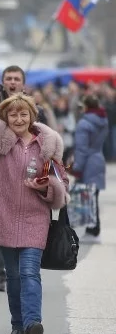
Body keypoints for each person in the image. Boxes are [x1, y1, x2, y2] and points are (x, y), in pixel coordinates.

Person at [0, 73, 69, 334]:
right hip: (2, 215)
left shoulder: (48, 145)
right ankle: (18, 324)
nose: (18, 119)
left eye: (23, 114)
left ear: (32, 116)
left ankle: (32, 323)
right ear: (5, 117)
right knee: (13, 276)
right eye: (13, 115)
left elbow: (62, 181)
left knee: (29, 272)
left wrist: (47, 187)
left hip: (35, 216)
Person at [72, 94, 109, 243]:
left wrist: (77, 168)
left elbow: (81, 149)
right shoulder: (103, 121)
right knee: (94, 196)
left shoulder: (84, 123)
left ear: (86, 106)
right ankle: (92, 230)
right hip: (99, 158)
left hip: (88, 162)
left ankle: (93, 231)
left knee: (88, 197)